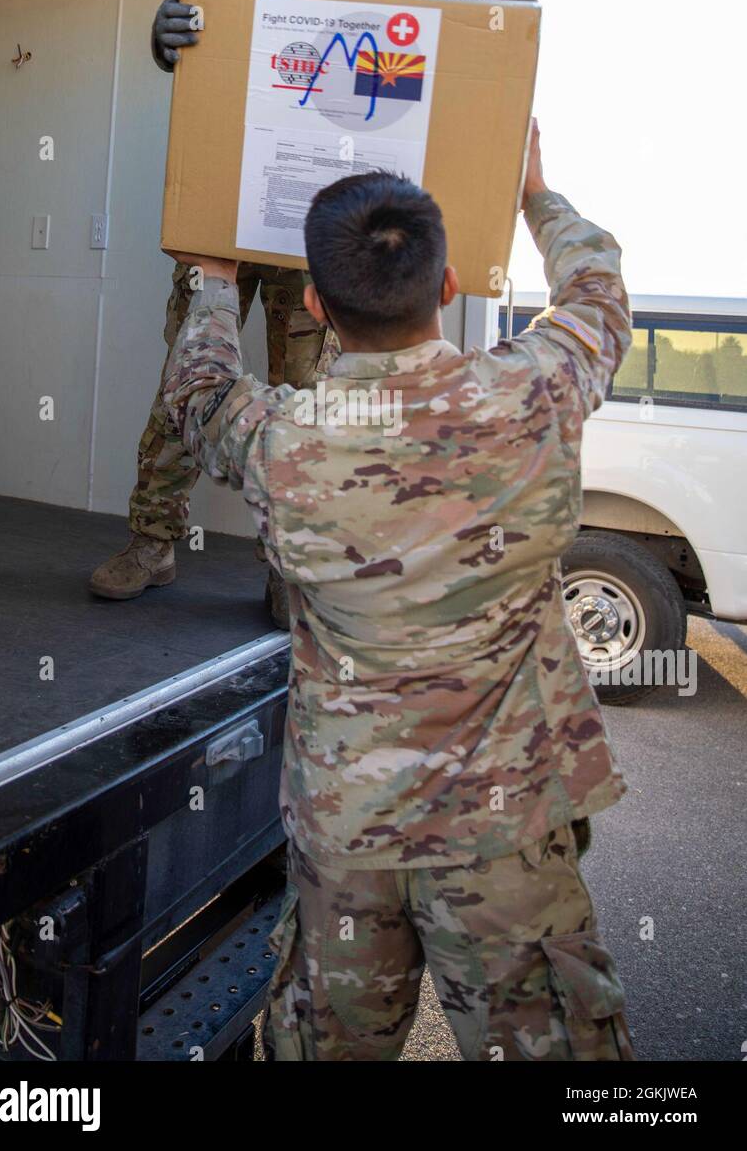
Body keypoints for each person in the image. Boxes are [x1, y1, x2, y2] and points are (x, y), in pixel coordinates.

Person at [159, 119, 636, 1061]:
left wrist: (211, 278)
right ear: (447, 287)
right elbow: (600, 292)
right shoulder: (533, 392)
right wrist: (536, 194)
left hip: (349, 835)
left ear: (313, 304)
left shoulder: (279, 438)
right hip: (508, 834)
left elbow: (198, 388)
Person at [89, 0, 444, 628]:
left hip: (324, 244)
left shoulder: (429, 34)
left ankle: (287, 567)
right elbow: (203, 23)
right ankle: (153, 540)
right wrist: (168, 34)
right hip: (229, 217)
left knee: (307, 402)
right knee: (188, 373)